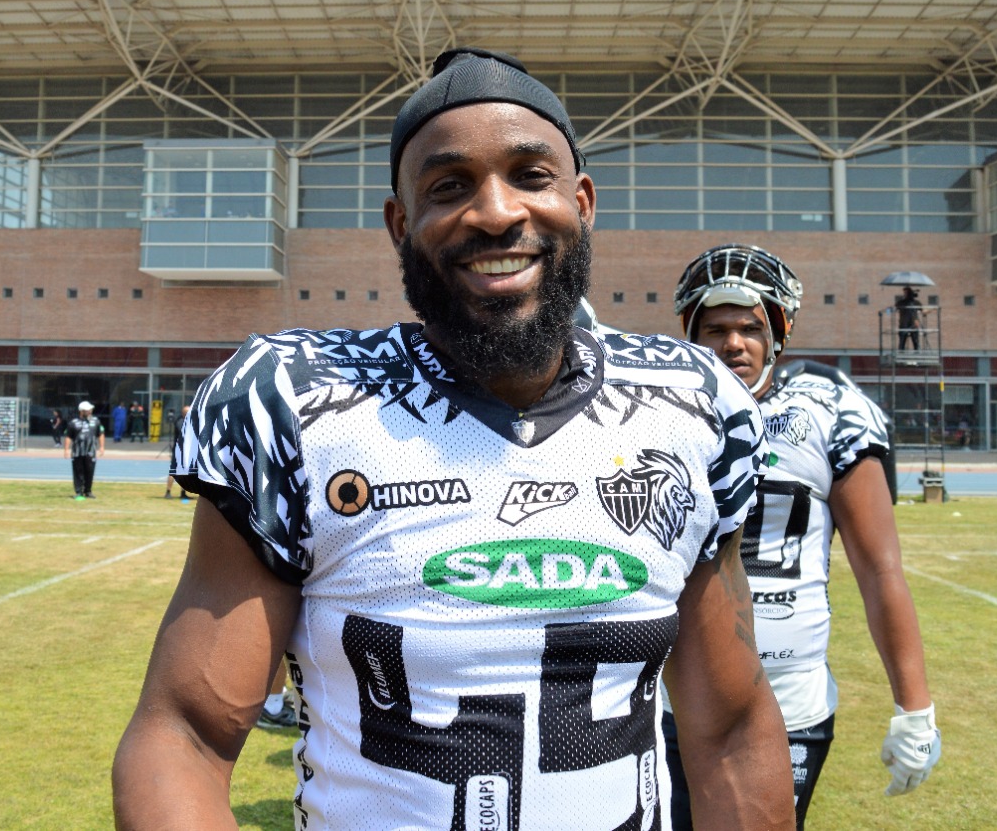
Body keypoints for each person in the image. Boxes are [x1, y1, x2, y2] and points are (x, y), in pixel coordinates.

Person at [113, 47, 794, 830]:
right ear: (401, 224)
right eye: (449, 186)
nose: (497, 212)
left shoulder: (691, 402)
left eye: (531, 176)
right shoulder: (295, 401)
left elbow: (732, 729)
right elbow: (185, 736)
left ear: (583, 200)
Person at [666, 244, 941, 830]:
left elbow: (879, 568)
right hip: (674, 690)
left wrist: (914, 707)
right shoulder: (657, 410)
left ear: (778, 334)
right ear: (690, 333)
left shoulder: (825, 410)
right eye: (714, 328)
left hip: (789, 694)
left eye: (749, 327)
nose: (732, 343)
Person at [64, 401, 104, 500]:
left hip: (91, 451)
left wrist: (102, 447)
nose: (90, 411)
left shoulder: (96, 421)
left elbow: (101, 434)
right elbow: (68, 436)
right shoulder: (73, 423)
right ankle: (78, 492)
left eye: (90, 409)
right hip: (77, 452)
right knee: (78, 472)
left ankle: (88, 491)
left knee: (90, 471)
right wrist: (66, 449)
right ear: (82, 411)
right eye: (88, 410)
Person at [163, 405, 192, 500]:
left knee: (185, 472)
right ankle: (168, 492)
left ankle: (183, 492)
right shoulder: (180, 422)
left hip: (187, 451)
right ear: (184, 413)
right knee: (174, 471)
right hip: (179, 451)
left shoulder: (189, 421)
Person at [894, 286, 923, 351]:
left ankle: (918, 357)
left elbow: (922, 310)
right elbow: (895, 307)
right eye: (904, 293)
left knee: (916, 343)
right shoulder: (901, 302)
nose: (905, 294)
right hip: (904, 324)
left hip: (913, 325)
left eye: (906, 293)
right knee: (902, 343)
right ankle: (901, 358)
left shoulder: (915, 303)